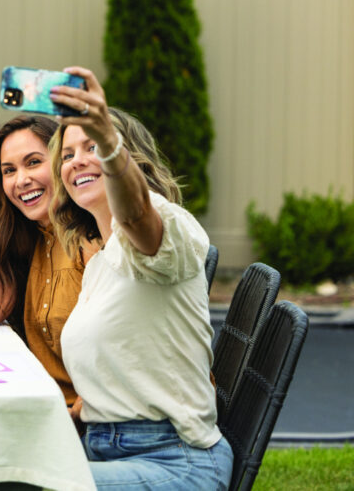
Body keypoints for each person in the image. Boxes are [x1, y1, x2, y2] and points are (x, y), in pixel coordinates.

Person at [50, 67, 232, 489]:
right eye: (68, 154)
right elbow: (123, 372)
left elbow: (136, 217)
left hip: (175, 461)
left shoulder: (168, 227)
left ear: (128, 157)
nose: (78, 160)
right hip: (105, 448)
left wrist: (108, 141)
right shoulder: (99, 263)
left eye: (91, 146)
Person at [0, 116, 99, 407]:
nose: (21, 180)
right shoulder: (34, 237)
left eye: (34, 162)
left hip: (94, 422)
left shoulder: (95, 239)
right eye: (9, 171)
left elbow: (121, 352)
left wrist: (76, 418)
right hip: (48, 407)